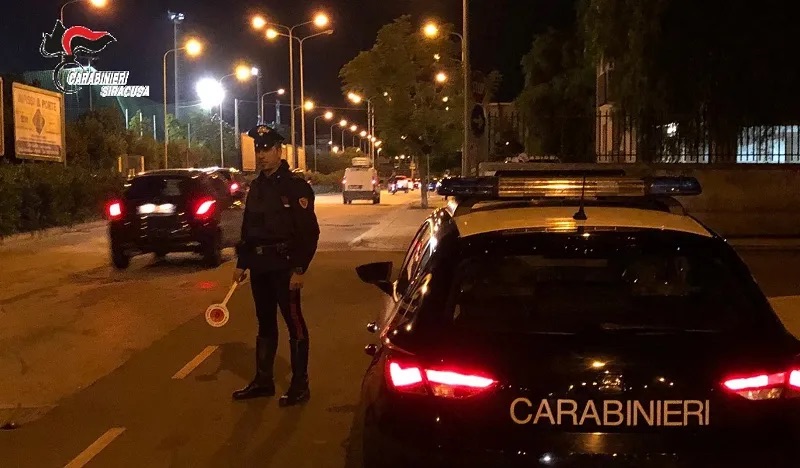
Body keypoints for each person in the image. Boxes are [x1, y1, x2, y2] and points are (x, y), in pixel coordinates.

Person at [232, 124, 320, 406]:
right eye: (258, 149)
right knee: (265, 323)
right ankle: (263, 381)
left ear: (279, 151)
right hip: (260, 266)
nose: (261, 155)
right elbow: (249, 228)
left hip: (285, 265)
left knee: (294, 323)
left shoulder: (295, 187)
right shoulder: (256, 186)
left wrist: (299, 268)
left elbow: (308, 232)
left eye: (267, 149)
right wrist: (242, 263)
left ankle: (300, 384)